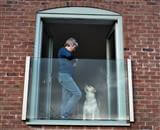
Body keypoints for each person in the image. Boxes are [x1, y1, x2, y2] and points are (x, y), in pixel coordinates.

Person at [58, 37, 82, 119]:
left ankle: (63, 117)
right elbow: (69, 55)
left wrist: (74, 64)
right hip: (64, 76)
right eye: (74, 47)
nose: (74, 49)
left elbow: (70, 61)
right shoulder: (62, 50)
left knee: (65, 98)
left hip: (66, 76)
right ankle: (65, 113)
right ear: (70, 45)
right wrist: (74, 59)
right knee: (78, 94)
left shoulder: (68, 54)